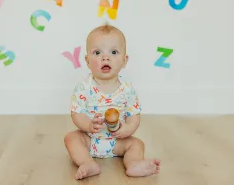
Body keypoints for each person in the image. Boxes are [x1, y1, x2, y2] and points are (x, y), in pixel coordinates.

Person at [64, 23, 161, 180]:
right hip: (90, 139)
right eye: (97, 52)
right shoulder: (83, 87)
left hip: (117, 142)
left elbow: (134, 115)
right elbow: (77, 113)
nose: (105, 57)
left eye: (114, 52)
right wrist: (88, 125)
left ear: (124, 60)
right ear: (87, 61)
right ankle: (87, 162)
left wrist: (128, 129)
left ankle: (134, 163)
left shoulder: (127, 89)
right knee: (71, 138)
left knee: (137, 144)